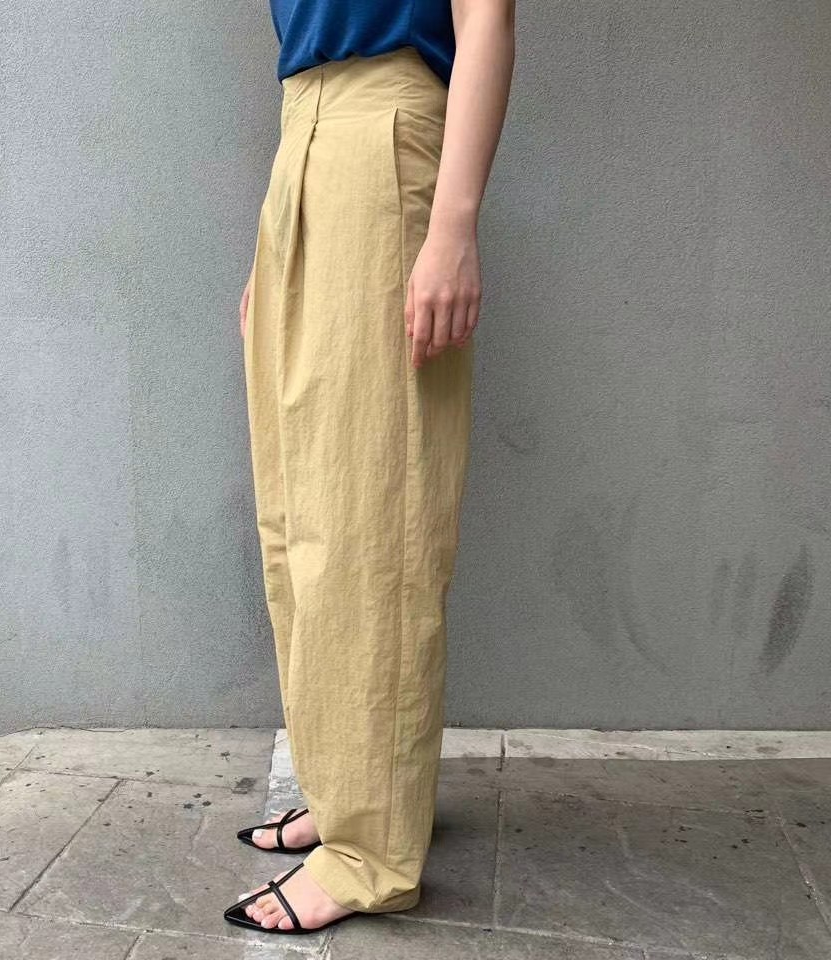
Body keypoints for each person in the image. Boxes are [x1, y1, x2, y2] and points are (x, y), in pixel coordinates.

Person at [225, 0, 516, 936]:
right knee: (299, 513)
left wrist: (453, 226)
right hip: (302, 150)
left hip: (384, 144)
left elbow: (485, 20)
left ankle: (371, 854)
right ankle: (347, 793)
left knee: (372, 514)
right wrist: (276, 246)